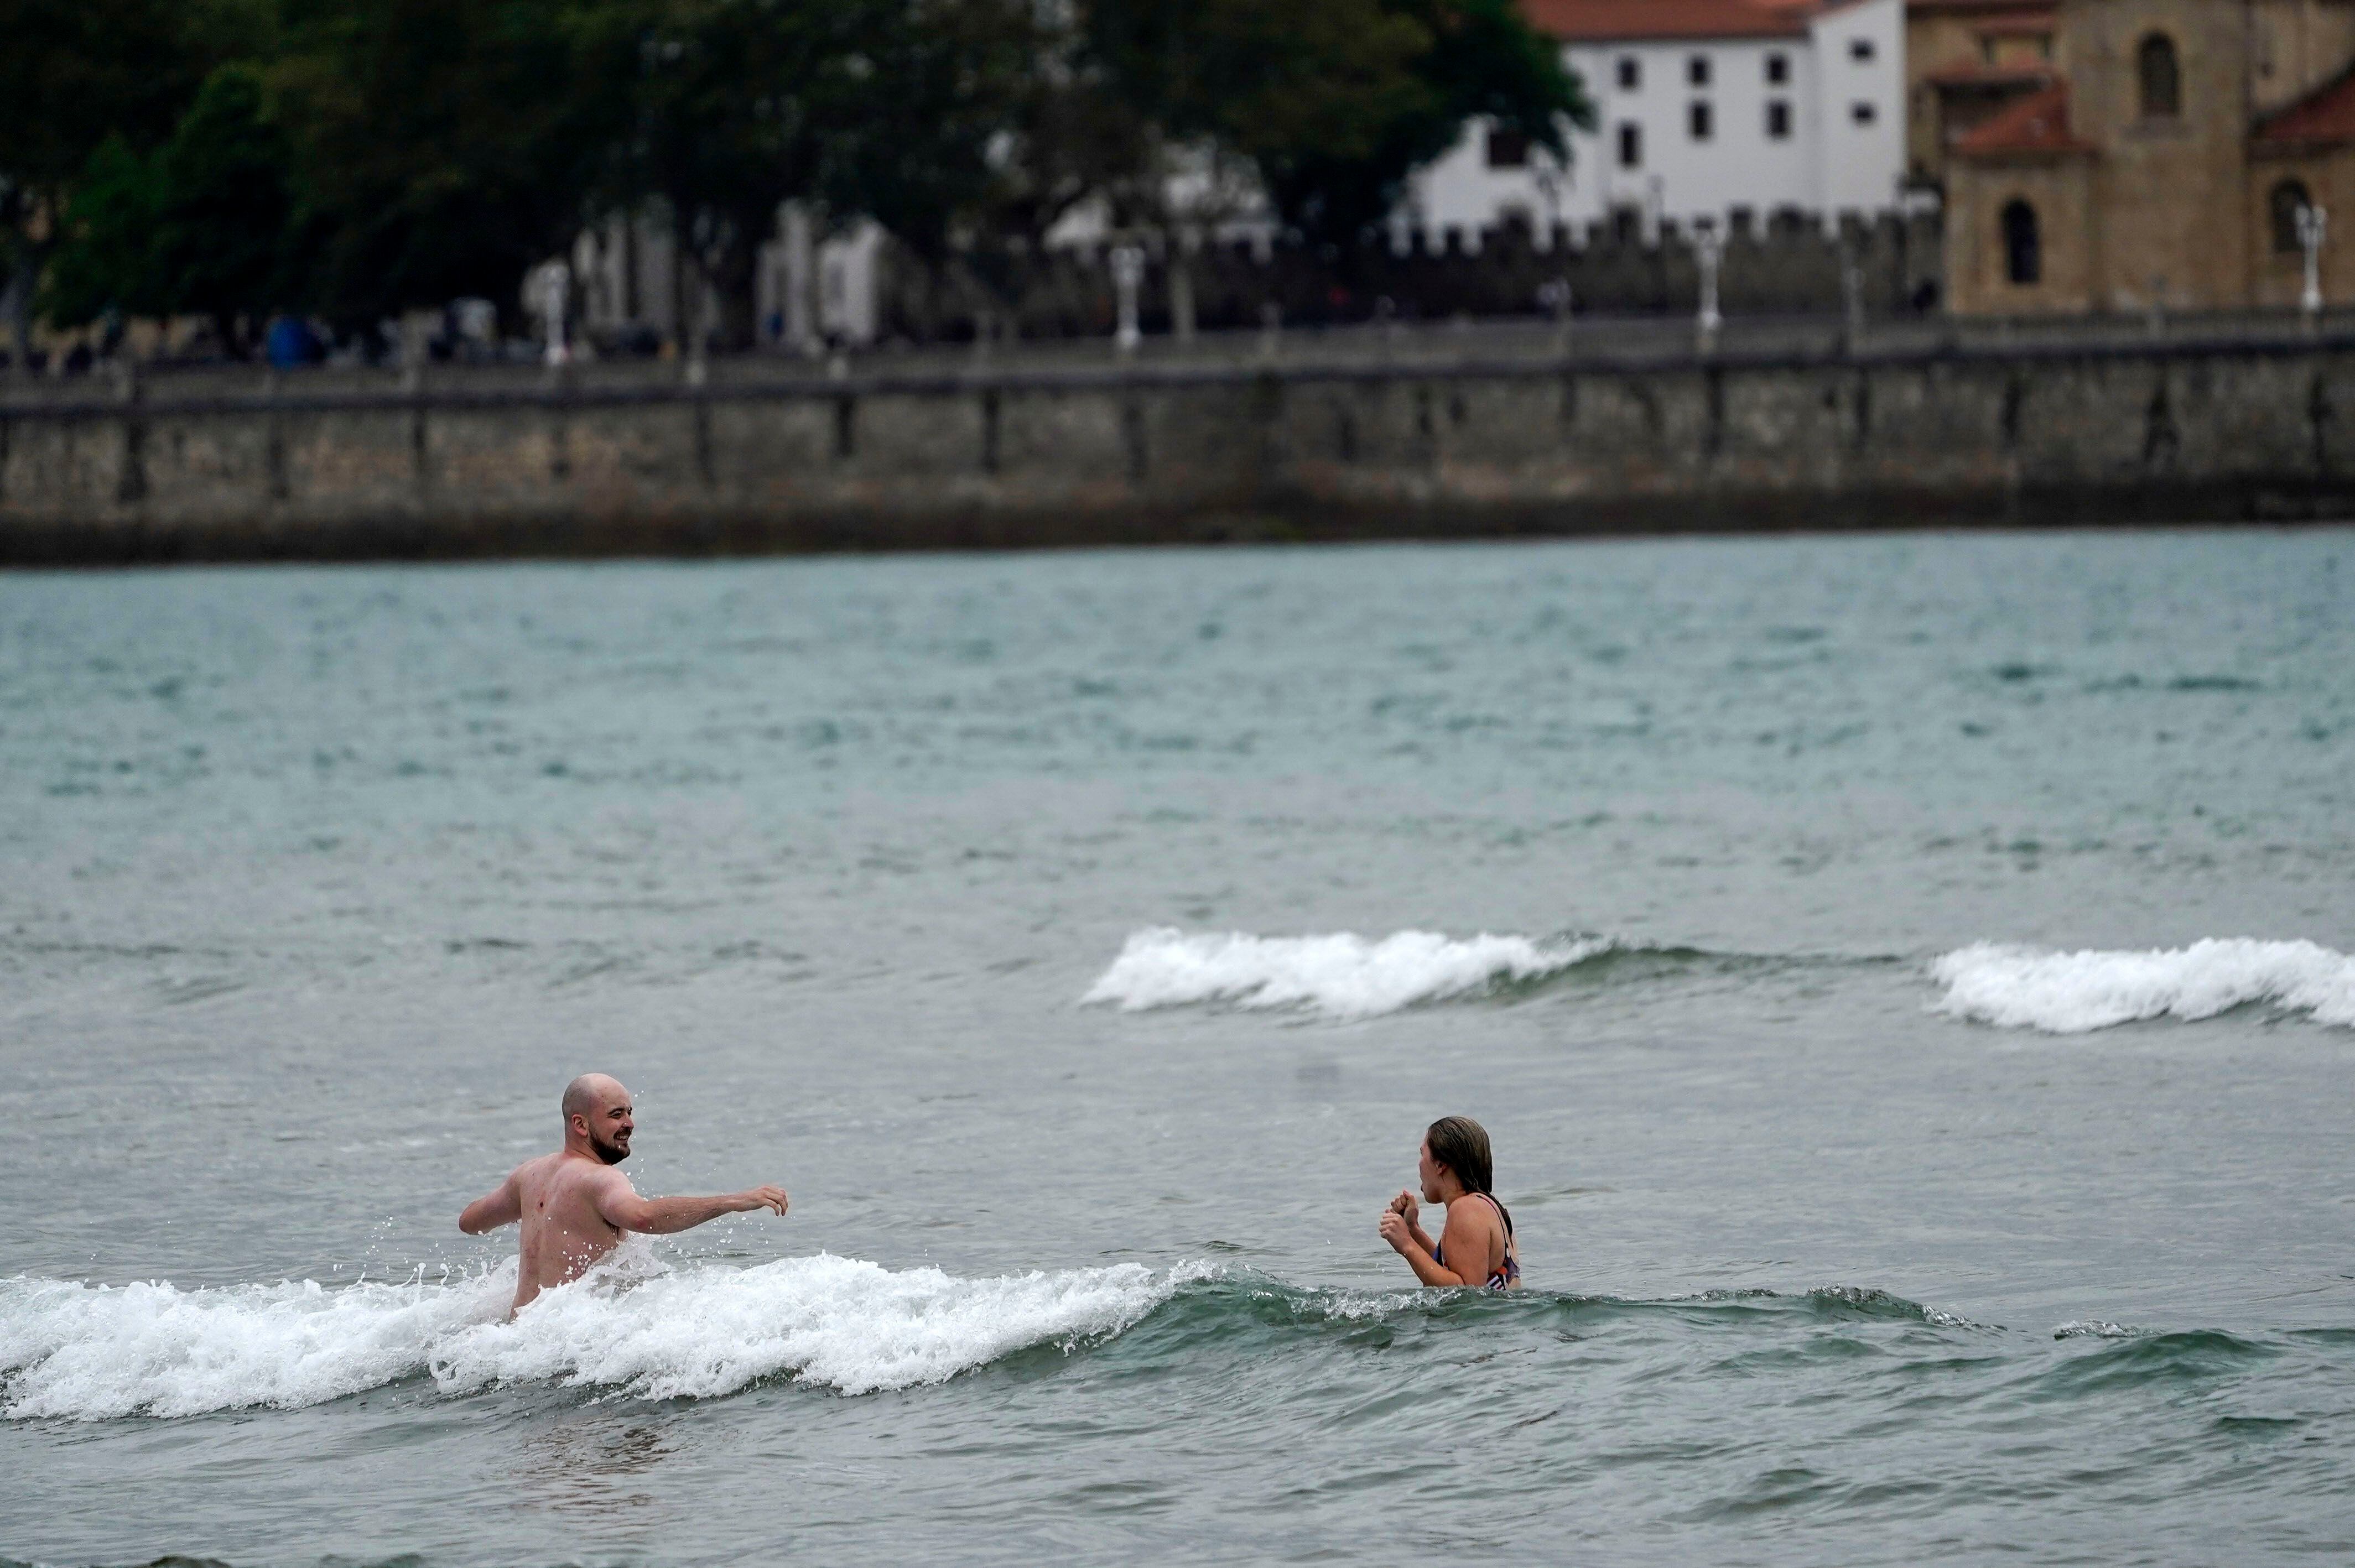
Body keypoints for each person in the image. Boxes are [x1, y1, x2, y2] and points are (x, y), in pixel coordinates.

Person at [459, 1073, 790, 1314]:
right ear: (581, 1125)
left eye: (630, 1112)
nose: (630, 1124)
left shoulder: (528, 1175)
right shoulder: (602, 1180)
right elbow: (643, 1217)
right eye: (617, 1115)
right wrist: (733, 1202)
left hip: (519, 1338)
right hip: (564, 1343)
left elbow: (470, 1222)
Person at [1377, 1114, 1521, 1290]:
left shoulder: (1466, 1209)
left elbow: (1467, 1294)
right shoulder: (1489, 1207)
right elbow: (1455, 1269)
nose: (1419, 1165)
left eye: (1422, 1154)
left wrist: (1407, 1245)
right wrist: (1413, 1230)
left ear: (1440, 1165)